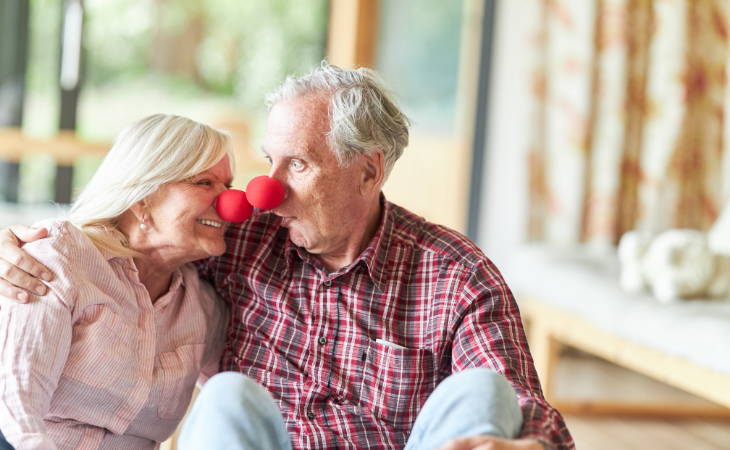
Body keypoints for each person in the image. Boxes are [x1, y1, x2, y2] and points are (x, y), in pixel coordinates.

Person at [0, 63, 574, 450]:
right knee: (226, 395)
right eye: (268, 160)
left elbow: (525, 405)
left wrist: (533, 446)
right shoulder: (240, 240)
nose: (266, 190)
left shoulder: (455, 273)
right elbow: (135, 237)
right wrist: (14, 243)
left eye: (296, 164)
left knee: (486, 393)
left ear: (369, 170)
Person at [0, 114, 232, 450]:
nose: (231, 203)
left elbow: (242, 403)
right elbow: (13, 408)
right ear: (143, 198)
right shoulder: (60, 257)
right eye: (205, 183)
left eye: (230, 185)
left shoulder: (202, 309)